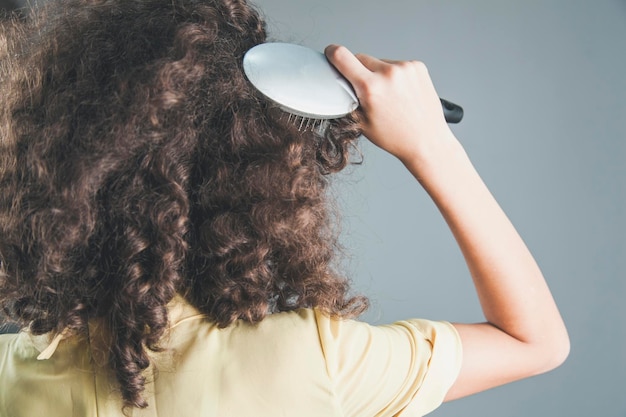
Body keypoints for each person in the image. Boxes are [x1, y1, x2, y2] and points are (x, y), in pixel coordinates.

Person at [0, 0, 569, 416]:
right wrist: (432, 146)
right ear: (262, 170)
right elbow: (536, 342)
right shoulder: (316, 362)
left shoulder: (12, 376)